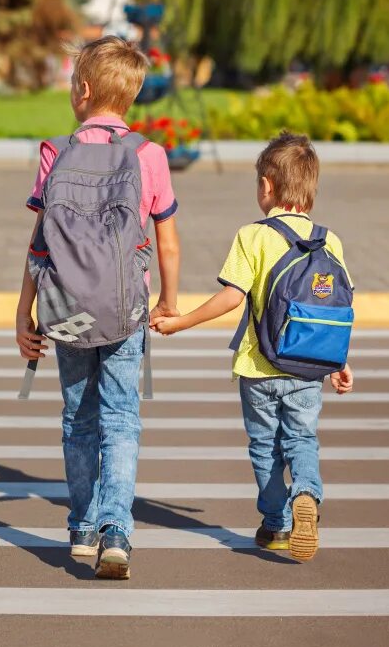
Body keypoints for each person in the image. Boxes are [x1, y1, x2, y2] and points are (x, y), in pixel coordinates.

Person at [15, 36, 182, 579]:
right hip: (125, 309)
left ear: (82, 90)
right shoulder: (149, 155)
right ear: (130, 96)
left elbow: (39, 242)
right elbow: (168, 243)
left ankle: (82, 528)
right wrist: (169, 302)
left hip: (66, 312)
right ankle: (117, 531)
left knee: (77, 419)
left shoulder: (54, 153)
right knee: (121, 420)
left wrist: (25, 312)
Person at [151, 131, 353, 562]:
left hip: (259, 367)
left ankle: (276, 524)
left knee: (264, 447)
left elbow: (232, 297)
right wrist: (339, 362)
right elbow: (330, 311)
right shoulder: (329, 241)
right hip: (310, 366)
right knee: (302, 438)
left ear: (266, 186)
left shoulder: (253, 236)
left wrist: (180, 322)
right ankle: (307, 494)